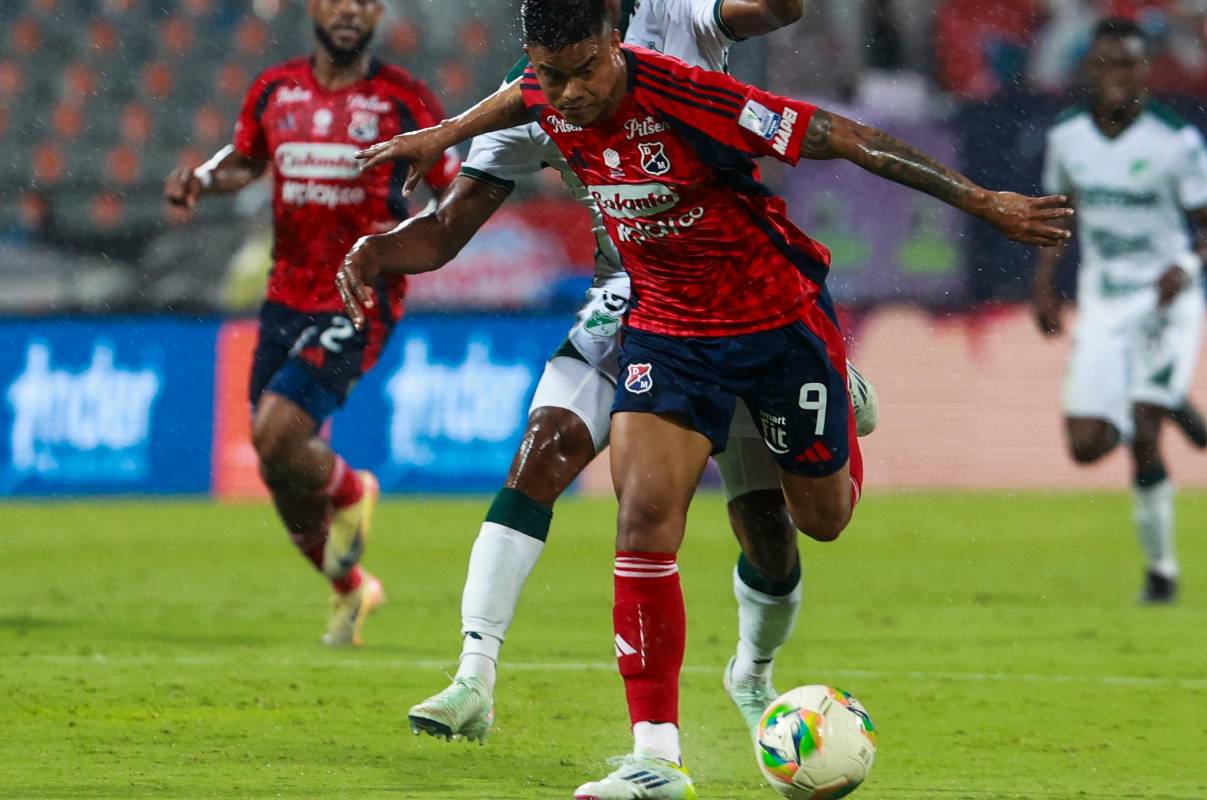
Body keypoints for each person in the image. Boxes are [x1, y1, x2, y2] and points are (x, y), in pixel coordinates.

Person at [347, 1, 1070, 795]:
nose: (567, 93)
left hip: (775, 322)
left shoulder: (688, 95)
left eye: (583, 70)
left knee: (820, 521)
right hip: (665, 329)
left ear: (613, 45)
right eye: (551, 75)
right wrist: (439, 137)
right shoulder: (544, 90)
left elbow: (846, 137)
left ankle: (839, 392)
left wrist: (984, 202)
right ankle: (655, 757)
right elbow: (518, 95)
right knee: (643, 518)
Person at [337, 0, 850, 746]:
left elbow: (775, 10)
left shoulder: (685, 17)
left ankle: (753, 669)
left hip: (735, 298)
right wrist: (378, 249)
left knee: (770, 531)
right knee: (540, 454)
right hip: (631, 303)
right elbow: (448, 229)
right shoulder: (534, 87)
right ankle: (473, 676)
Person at [164, 0, 457, 647]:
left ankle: (353, 490)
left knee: (277, 430)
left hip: (359, 293)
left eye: (364, 1)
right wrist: (203, 181)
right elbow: (245, 159)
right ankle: (352, 590)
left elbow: (454, 189)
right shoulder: (275, 88)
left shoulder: (404, 100)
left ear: (379, 14)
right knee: (276, 464)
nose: (350, 9)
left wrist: (409, 246)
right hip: (285, 294)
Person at [1032, 18, 1207, 605]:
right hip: (1104, 302)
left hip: (1165, 301)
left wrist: (1188, 266)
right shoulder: (1068, 136)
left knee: (1143, 433)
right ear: (1089, 69)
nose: (1116, 75)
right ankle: (1170, 402)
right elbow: (1058, 216)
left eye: (1128, 64)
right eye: (1105, 64)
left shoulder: (1176, 141)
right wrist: (1044, 286)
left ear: (1146, 71)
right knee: (1085, 445)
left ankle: (1161, 573)